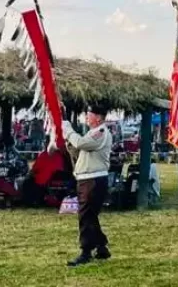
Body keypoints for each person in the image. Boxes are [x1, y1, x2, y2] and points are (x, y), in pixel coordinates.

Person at [61, 105, 113, 267]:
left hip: (93, 179)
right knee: (90, 215)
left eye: (89, 115)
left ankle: (85, 251)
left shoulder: (100, 133)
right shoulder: (93, 133)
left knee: (85, 216)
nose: (86, 117)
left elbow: (81, 143)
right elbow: (79, 151)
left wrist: (68, 130)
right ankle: (101, 246)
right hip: (87, 179)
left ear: (98, 118)